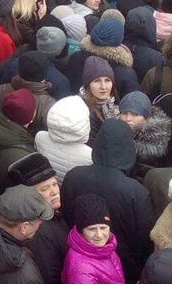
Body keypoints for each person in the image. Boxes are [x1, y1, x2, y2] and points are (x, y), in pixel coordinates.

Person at [62, 118, 153, 281]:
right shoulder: (136, 192)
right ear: (128, 148)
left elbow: (68, 216)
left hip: (80, 256)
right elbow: (144, 240)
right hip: (124, 266)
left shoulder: (73, 176)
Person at [64, 193, 126, 284]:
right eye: (92, 229)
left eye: (103, 228)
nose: (99, 235)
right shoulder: (81, 269)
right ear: (81, 231)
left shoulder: (106, 247)